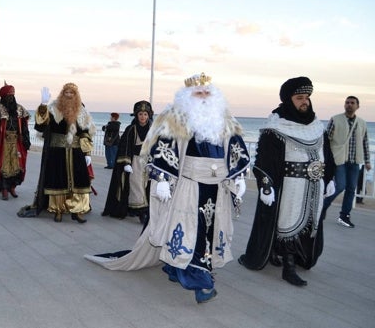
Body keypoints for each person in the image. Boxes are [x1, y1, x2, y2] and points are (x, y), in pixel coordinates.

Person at [85, 73, 249, 304]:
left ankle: (180, 269)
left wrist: (239, 177)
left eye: (207, 92)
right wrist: (162, 178)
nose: (203, 96)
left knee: (211, 231)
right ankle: (200, 282)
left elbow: (237, 149)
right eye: (198, 93)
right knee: (190, 231)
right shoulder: (176, 118)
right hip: (189, 184)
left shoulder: (225, 119)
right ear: (188, 96)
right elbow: (163, 148)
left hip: (218, 186)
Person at [239, 76, 335, 287]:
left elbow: (326, 153)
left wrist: (329, 178)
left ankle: (295, 256)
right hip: (291, 185)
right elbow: (264, 157)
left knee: (311, 222)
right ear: (288, 99)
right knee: (288, 223)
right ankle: (288, 268)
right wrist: (266, 184)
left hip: (315, 184)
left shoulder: (316, 125)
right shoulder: (277, 125)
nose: (305, 102)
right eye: (300, 98)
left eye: (307, 98)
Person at [31, 83, 95, 223]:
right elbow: (41, 125)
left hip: (76, 151)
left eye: (72, 93)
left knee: (79, 180)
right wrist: (43, 105)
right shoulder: (53, 109)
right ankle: (58, 210)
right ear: (62, 93)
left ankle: (77, 210)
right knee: (58, 180)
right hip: (57, 151)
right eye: (67, 92)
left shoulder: (81, 110)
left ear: (76, 95)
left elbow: (85, 131)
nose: (69, 95)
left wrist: (87, 152)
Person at [322, 96, 371, 228]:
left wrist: (367, 161)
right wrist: (325, 158)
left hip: (355, 161)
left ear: (357, 106)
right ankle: (322, 207)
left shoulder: (362, 122)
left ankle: (344, 216)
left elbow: (365, 142)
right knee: (340, 186)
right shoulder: (335, 119)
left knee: (351, 189)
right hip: (339, 160)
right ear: (344, 105)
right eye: (347, 102)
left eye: (352, 103)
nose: (349, 105)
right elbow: (327, 140)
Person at [101, 101, 153, 223]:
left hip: (148, 162)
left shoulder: (152, 129)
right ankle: (141, 211)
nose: (143, 117)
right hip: (135, 161)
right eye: (140, 114)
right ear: (136, 115)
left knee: (146, 186)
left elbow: (155, 146)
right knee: (137, 186)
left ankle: (144, 209)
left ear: (149, 115)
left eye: (145, 114)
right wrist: (127, 163)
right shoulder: (131, 129)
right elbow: (125, 146)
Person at [0, 83, 31, 200]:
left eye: (13, 95)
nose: (11, 97)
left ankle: (12, 187)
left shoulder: (19, 108)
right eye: (9, 95)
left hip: (16, 141)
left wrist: (26, 139)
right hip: (2, 142)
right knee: (3, 166)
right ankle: (4, 188)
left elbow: (24, 125)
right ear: (3, 96)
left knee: (17, 165)